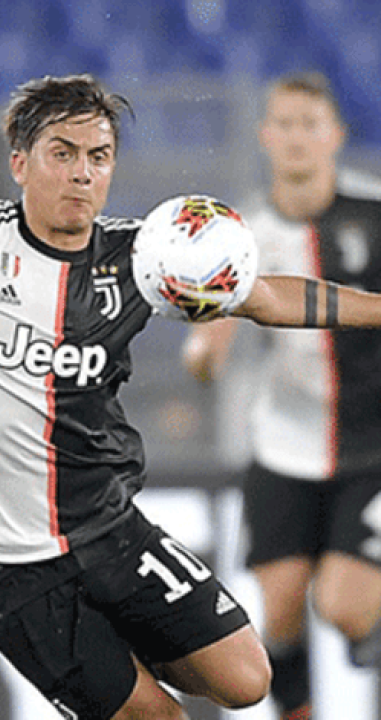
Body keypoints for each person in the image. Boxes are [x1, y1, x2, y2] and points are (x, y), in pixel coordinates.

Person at [0, 71, 381, 720]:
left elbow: (267, 297)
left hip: (111, 527)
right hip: (13, 566)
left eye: (99, 156)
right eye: (62, 154)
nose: (82, 174)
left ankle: (112, 662)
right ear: (20, 163)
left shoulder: (145, 256)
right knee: (160, 719)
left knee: (246, 679)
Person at [182, 71, 381, 720]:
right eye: (285, 124)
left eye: (310, 124)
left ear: (336, 136)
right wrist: (205, 354)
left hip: (372, 448)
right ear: (266, 136)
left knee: (345, 604)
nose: (297, 137)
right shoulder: (240, 238)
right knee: (282, 615)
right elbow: (202, 359)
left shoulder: (374, 216)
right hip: (282, 446)